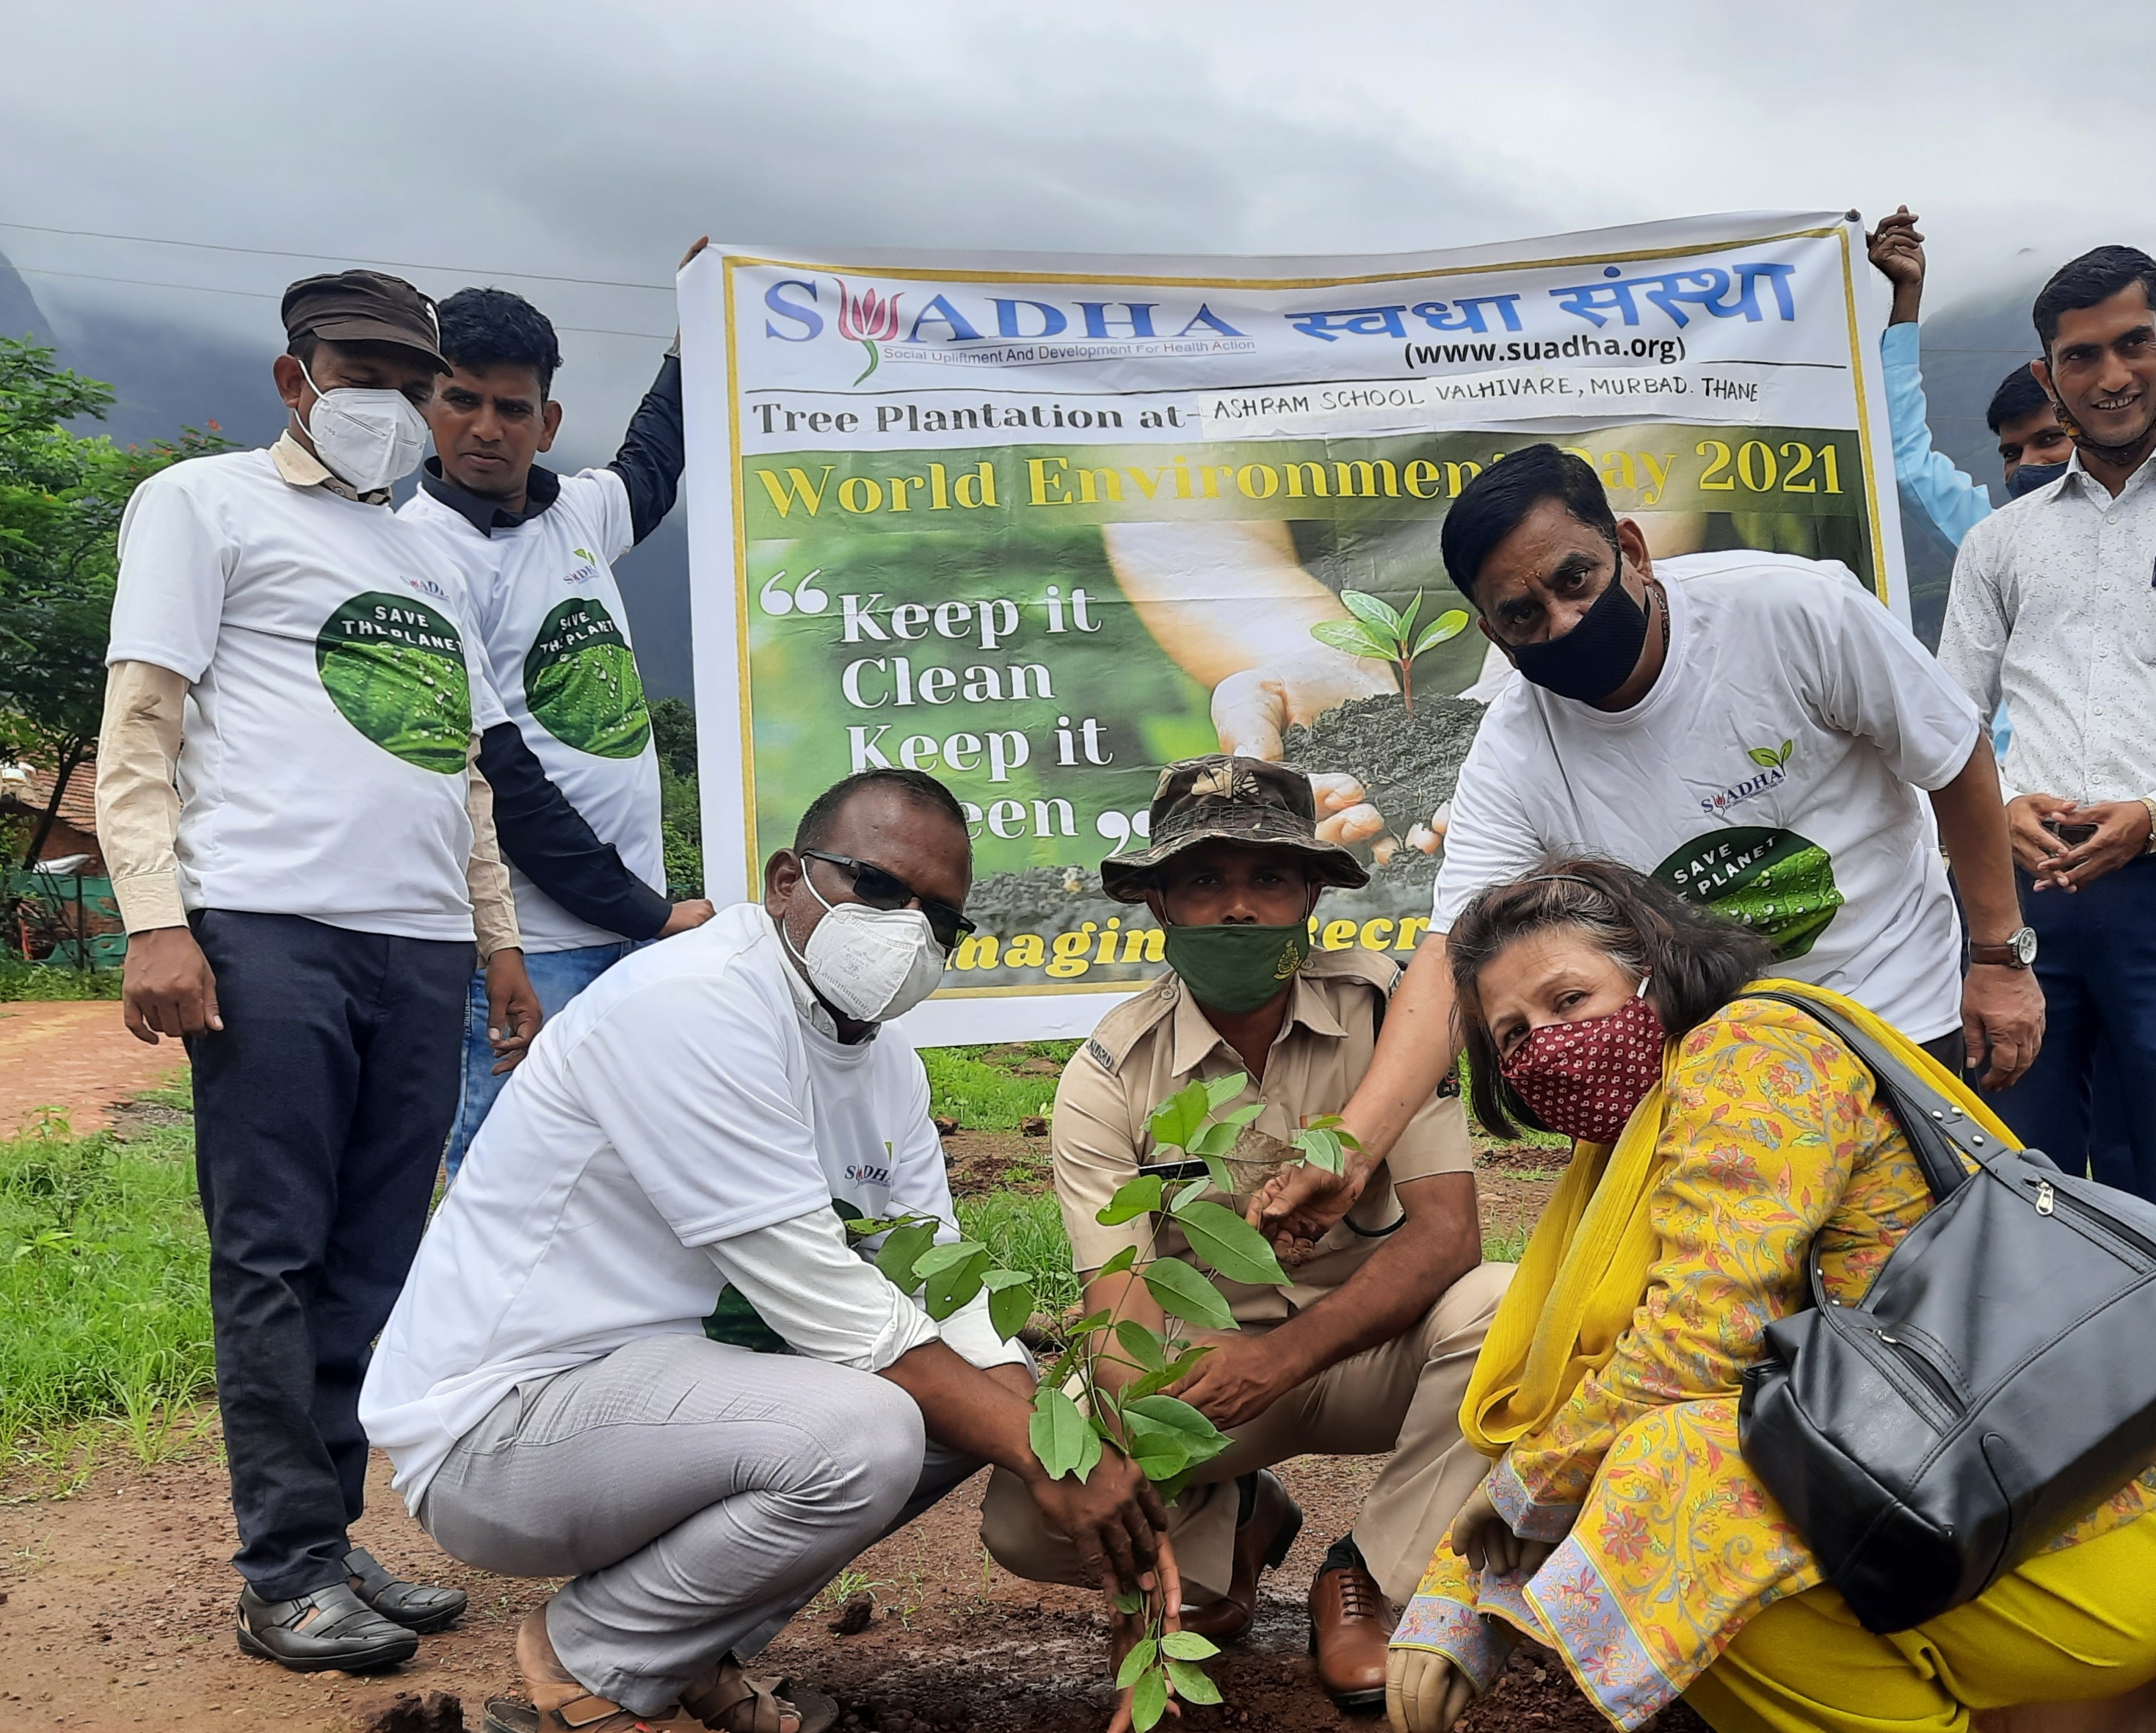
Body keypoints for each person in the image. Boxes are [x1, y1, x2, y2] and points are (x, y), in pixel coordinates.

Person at [360, 768, 1172, 1733]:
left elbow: (937, 1283)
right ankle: (594, 1655)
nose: (909, 929)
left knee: (969, 1398)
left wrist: (1059, 1435)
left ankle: (683, 1653)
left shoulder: (886, 1068)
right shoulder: (696, 1002)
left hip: (667, 1406)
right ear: (787, 878)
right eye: (878, 887)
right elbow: (839, 1311)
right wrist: (1060, 1465)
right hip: (500, 1427)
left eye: (941, 919)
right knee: (871, 1427)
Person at [1382, 860, 2156, 1733]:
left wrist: (1526, 1489)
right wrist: (1459, 1594)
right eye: (1514, 1035)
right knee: (1646, 1456)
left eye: (1570, 1000)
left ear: (1656, 967)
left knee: (1674, 1472)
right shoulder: (1630, 1155)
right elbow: (1582, 1391)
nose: (1548, 1043)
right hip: (1958, 1511)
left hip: (2054, 1527)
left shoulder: (1750, 1052)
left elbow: (1700, 1342)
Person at [1249, 443, 2045, 1258]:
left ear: (1630, 550)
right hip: (1714, 1074)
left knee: (1937, 1286)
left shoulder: (1793, 611)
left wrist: (1998, 957)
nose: (1563, 622)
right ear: (1492, 631)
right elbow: (1454, 949)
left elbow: (1954, 760)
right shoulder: (1517, 751)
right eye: (1523, 615)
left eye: (1576, 580)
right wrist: (1351, 1151)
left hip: (1895, 1018)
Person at [95, 269, 537, 1671]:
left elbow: (456, 773)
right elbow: (143, 724)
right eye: (364, 373)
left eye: (411, 383)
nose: (392, 405)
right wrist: (157, 918)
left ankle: (329, 1534)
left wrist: (499, 941)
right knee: (275, 1251)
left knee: (371, 1253)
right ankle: (281, 1568)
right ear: (295, 377)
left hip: (414, 948)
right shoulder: (203, 504)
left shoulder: (421, 557)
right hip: (268, 928)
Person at [979, 755, 1511, 1712]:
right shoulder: (1111, 1071)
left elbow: (1446, 1238)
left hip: (1365, 1352)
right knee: (1031, 1504)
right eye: (1203, 880)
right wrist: (1143, 1463)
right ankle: (1224, 1525)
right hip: (1207, 1379)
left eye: (1268, 878)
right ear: (1158, 904)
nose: (1237, 909)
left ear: (1312, 891)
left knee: (1508, 1315)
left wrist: (1282, 1359)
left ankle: (1370, 1575)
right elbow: (1118, 1302)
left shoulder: (1389, 1015)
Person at [399, 256, 715, 1177]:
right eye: (462, 400)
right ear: (427, 404)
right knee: (510, 1172)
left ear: (548, 421)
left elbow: (654, 460)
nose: (487, 429)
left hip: (633, 934)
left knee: (627, 1169)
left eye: (513, 407)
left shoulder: (575, 515)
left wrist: (696, 329)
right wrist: (648, 915)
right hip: (532, 946)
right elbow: (505, 782)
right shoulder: (421, 559)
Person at [1938, 245, 2156, 1201]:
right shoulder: (1998, 543)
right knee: (2020, 1177)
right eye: (2081, 357)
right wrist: (2005, 804)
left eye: (2135, 343)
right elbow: (1949, 722)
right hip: (2027, 903)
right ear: (2047, 375)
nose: (2110, 377)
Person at [1868, 206, 2075, 553]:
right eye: (2011, 454)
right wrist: (1908, 290)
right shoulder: (2004, 549)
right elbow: (1906, 461)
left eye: (2051, 439)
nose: (2027, 464)